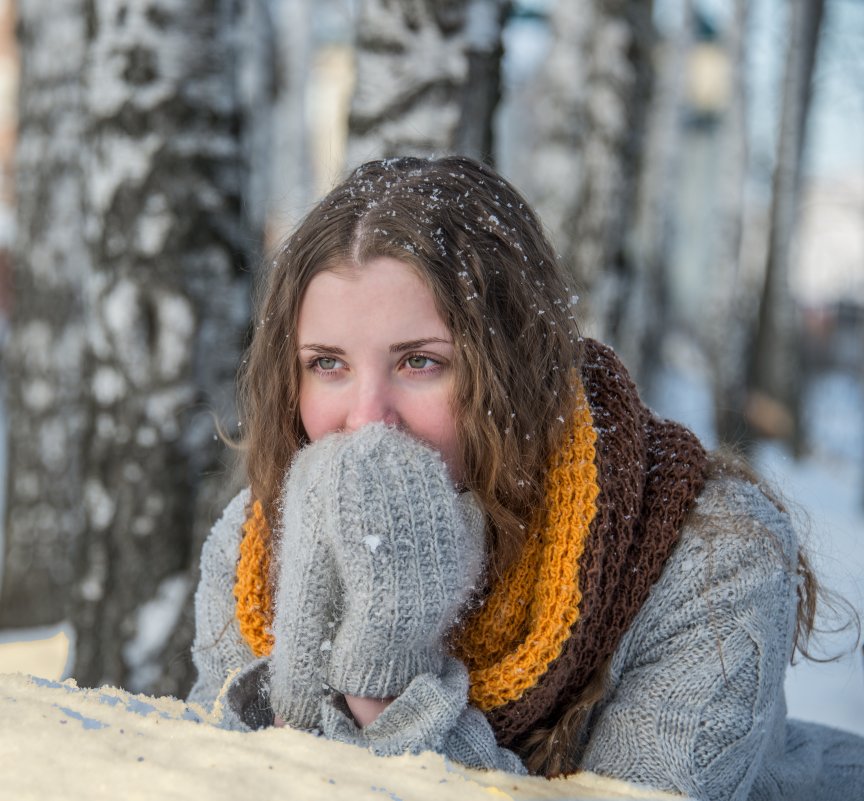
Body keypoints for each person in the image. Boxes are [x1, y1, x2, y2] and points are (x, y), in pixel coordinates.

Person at [188, 156, 864, 799]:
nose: (367, 420)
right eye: (327, 363)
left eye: (421, 362)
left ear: (514, 371)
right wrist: (307, 678)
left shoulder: (711, 553)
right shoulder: (253, 552)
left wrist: (385, 686)